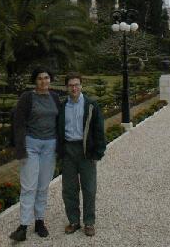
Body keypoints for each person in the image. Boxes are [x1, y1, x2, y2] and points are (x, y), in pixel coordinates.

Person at [9, 67, 60, 242]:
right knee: (29, 186)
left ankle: (39, 221)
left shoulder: (54, 97)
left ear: (50, 80)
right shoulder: (27, 98)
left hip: (50, 146)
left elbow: (59, 121)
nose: (43, 81)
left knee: (43, 186)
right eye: (40, 78)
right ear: (35, 81)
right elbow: (18, 123)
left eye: (46, 78)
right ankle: (23, 225)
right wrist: (20, 148)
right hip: (31, 145)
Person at [58, 72, 106, 237]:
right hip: (68, 151)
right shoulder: (62, 106)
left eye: (76, 84)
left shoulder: (91, 104)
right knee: (69, 189)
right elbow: (58, 130)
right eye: (71, 85)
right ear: (66, 87)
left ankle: (89, 222)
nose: (74, 88)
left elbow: (99, 129)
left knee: (89, 188)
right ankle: (73, 221)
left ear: (81, 86)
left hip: (86, 151)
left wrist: (98, 152)